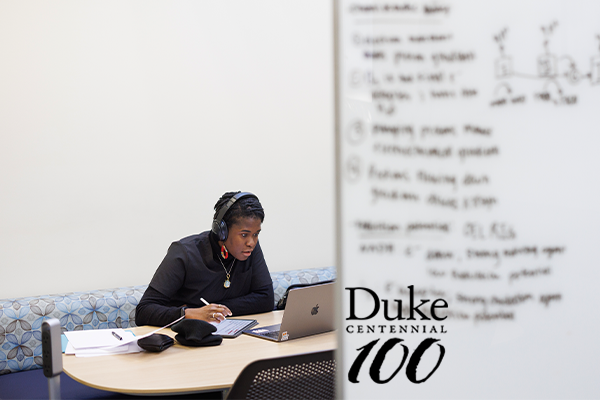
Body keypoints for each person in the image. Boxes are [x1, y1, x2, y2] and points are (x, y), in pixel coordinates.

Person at [135, 191, 274, 327]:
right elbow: (144, 311)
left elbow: (266, 300)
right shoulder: (184, 252)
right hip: (185, 338)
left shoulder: (250, 249)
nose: (251, 242)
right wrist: (189, 313)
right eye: (244, 235)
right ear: (222, 231)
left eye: (256, 234)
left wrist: (205, 309)